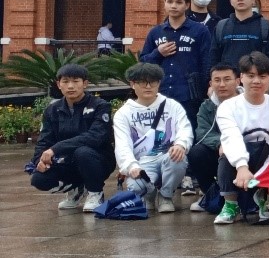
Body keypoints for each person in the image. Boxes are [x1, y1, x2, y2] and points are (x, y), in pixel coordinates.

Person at [214, 52, 269, 225]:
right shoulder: (228, 107)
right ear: (241, 78)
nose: (256, 81)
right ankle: (231, 205)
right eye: (251, 76)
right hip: (242, 163)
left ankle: (267, 201)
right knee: (226, 152)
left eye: (262, 76)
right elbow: (231, 137)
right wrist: (242, 167)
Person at [29, 63, 114, 212]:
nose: (70, 86)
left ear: (85, 83)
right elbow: (44, 140)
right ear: (58, 84)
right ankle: (77, 189)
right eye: (65, 81)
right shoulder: (52, 110)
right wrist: (39, 161)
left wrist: (56, 149)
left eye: (75, 81)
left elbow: (95, 137)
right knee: (38, 179)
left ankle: (95, 193)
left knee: (82, 152)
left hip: (97, 160)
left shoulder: (100, 106)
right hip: (67, 162)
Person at [113, 62, 194, 213]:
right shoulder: (123, 113)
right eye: (142, 82)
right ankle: (148, 196)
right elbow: (122, 144)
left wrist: (181, 144)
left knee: (179, 159)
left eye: (153, 82)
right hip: (142, 161)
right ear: (132, 84)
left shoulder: (172, 106)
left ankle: (166, 196)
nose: (148, 86)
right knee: (137, 186)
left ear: (159, 83)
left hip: (167, 155)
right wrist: (131, 166)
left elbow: (185, 129)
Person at [139, 0, 213, 126]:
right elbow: (142, 63)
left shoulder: (200, 31)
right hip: (161, 94)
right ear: (165, 3)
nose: (173, 6)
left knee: (188, 133)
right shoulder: (155, 32)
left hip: (189, 96)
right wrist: (158, 53)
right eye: (170, 1)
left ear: (187, 5)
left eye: (179, 2)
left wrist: (204, 89)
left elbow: (207, 63)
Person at [188, 62, 255, 216]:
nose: (222, 84)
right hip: (218, 151)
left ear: (238, 81)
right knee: (196, 152)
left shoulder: (249, 102)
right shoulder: (207, 106)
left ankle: (253, 196)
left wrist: (231, 144)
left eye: (227, 79)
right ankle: (212, 196)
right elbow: (202, 132)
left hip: (246, 150)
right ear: (211, 84)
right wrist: (221, 143)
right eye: (217, 80)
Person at [213, 0, 269, 69]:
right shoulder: (221, 26)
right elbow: (213, 57)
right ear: (231, 1)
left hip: (255, 77)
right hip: (228, 77)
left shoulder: (265, 26)